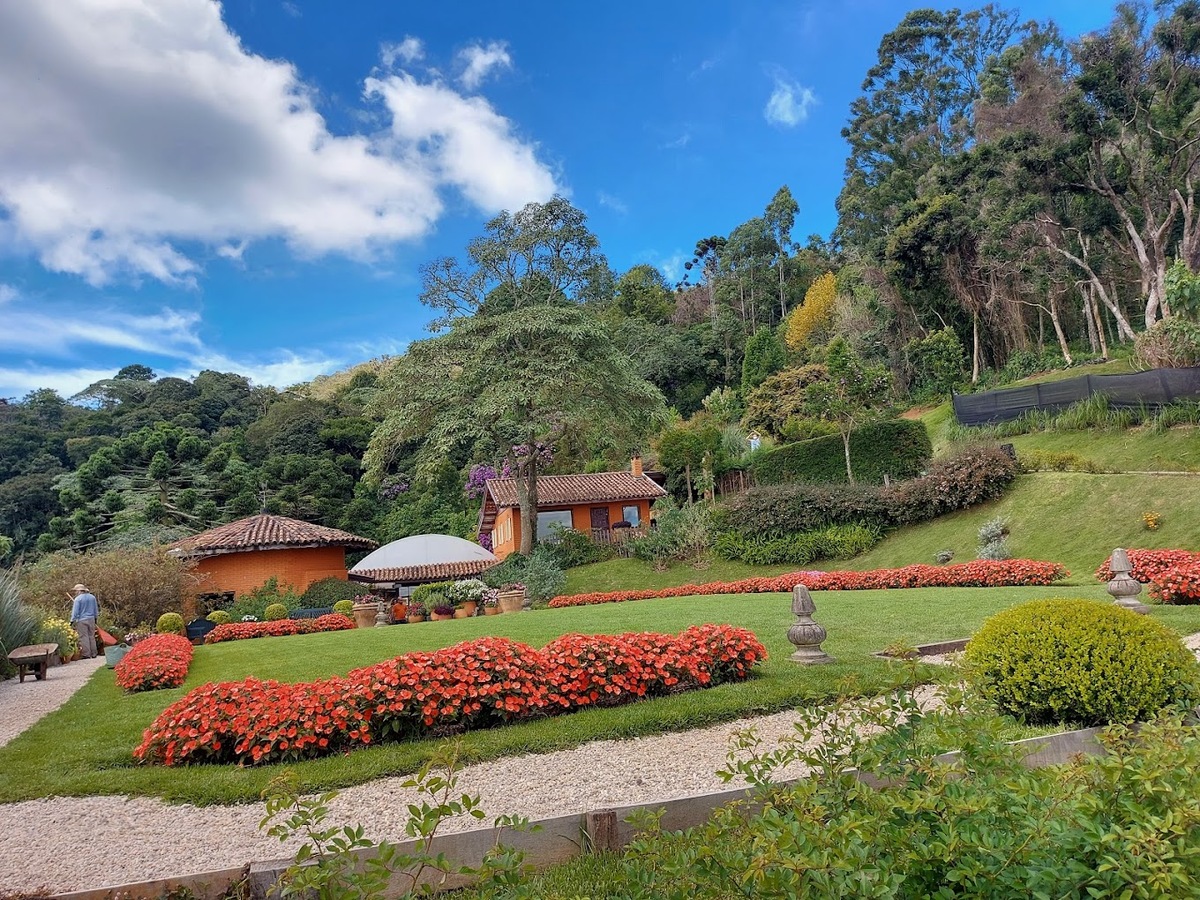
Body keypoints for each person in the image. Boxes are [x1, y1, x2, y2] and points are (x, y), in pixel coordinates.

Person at [68, 584, 99, 659]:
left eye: (76, 591)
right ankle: (94, 653)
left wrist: (72, 621)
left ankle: (86, 654)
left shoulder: (78, 599)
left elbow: (75, 612)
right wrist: (95, 618)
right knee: (91, 636)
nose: (75, 592)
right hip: (91, 619)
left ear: (79, 591)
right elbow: (95, 609)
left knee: (83, 637)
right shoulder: (92, 597)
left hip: (82, 620)